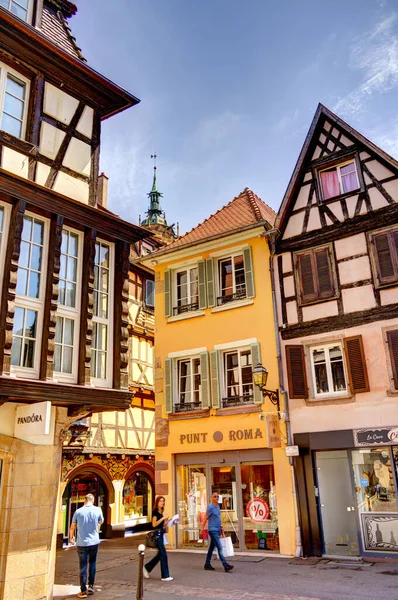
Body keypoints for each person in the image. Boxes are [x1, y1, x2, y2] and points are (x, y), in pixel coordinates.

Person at [70, 493, 104, 598]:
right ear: (93, 501)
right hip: (94, 541)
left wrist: (71, 537)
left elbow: (72, 526)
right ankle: (91, 586)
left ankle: (83, 591)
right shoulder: (98, 510)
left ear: (85, 500)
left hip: (82, 542)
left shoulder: (78, 511)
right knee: (92, 563)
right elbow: (101, 521)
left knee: (83, 566)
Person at [200, 492, 234, 572]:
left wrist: (221, 527)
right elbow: (205, 518)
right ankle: (225, 565)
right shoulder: (210, 507)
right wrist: (202, 529)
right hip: (212, 530)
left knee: (211, 548)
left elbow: (218, 518)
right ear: (211, 498)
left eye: (217, 497)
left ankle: (207, 564)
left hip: (217, 529)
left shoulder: (217, 506)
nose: (216, 498)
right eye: (215, 497)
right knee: (219, 547)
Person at [143, 496, 173, 582]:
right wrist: (163, 518)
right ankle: (165, 575)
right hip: (157, 535)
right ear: (157, 503)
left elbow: (161, 524)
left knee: (160, 554)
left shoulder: (160, 512)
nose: (162, 503)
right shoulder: (155, 512)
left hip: (161, 534)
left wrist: (170, 521)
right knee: (163, 555)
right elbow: (154, 524)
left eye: (163, 501)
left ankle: (147, 568)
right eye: (160, 501)